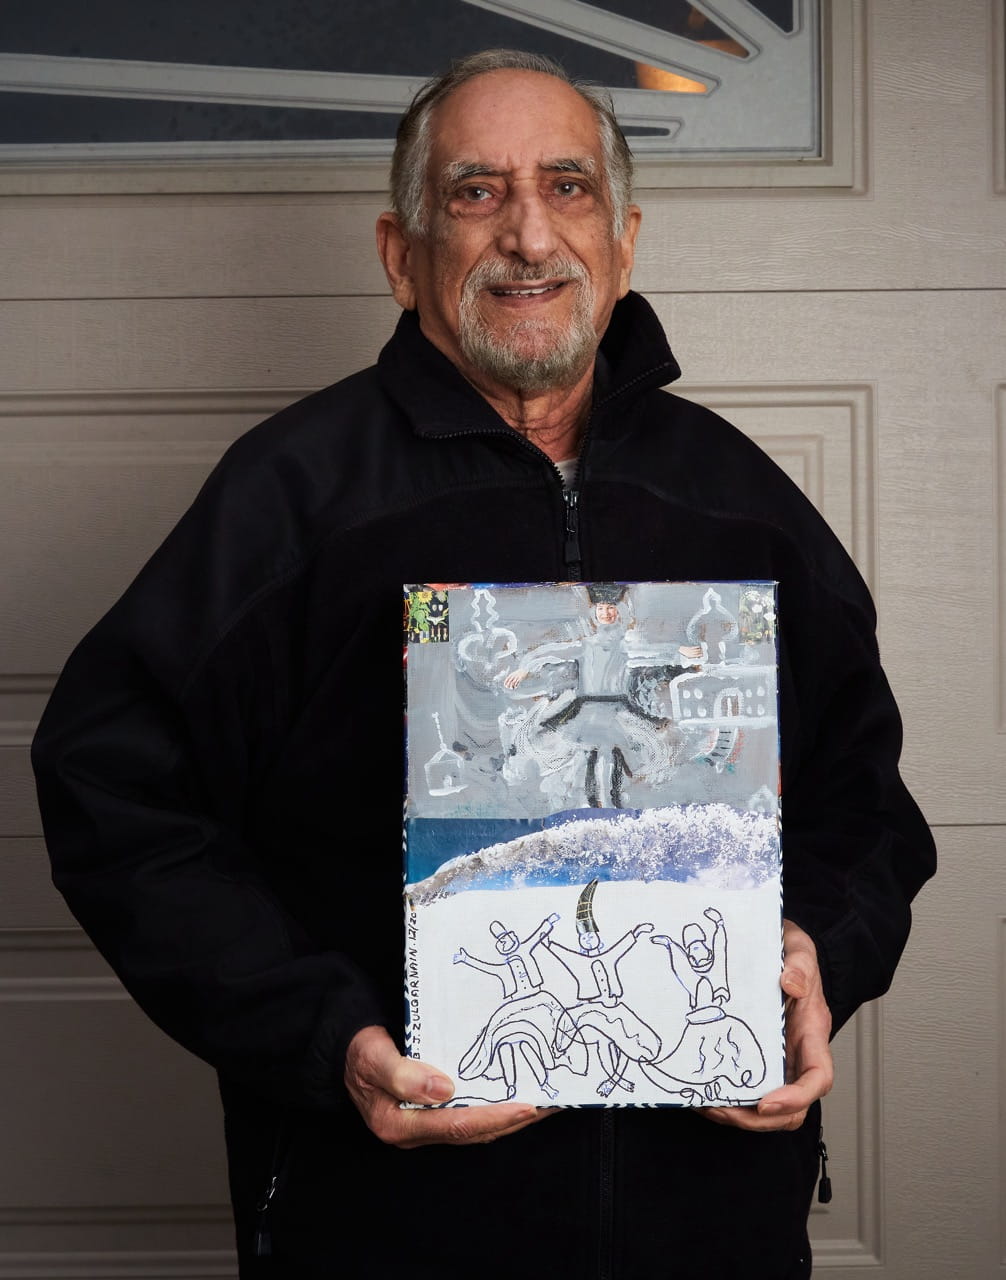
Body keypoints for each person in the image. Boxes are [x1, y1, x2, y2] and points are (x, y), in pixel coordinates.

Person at [31, 48, 936, 1279]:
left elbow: (866, 808)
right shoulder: (294, 498)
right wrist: (322, 1031)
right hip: (389, 1219)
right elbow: (113, 787)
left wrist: (817, 952)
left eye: (565, 188)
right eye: (474, 192)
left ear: (622, 241)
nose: (526, 233)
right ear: (400, 255)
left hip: (709, 1214)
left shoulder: (739, 505)